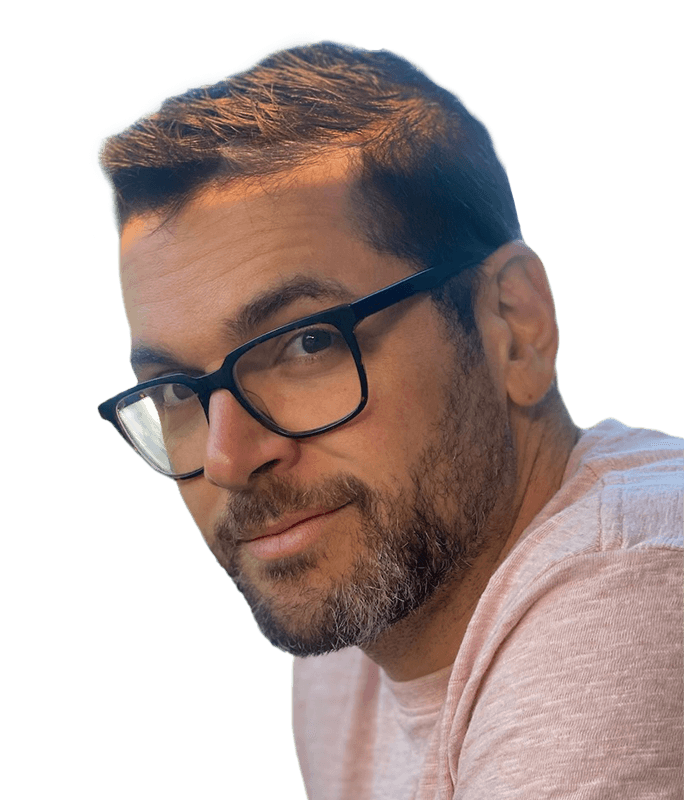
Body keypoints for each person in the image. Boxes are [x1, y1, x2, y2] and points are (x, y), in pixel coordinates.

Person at [92, 38, 683, 798]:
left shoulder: (631, 602)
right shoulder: (349, 644)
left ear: (514, 325)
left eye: (306, 343)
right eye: (176, 391)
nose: (229, 459)